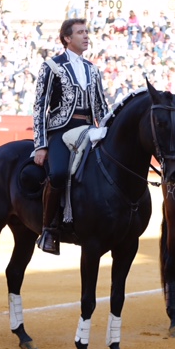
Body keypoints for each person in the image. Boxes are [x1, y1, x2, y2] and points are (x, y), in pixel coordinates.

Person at [33, 19, 109, 254]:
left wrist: (108, 130)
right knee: (58, 173)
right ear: (67, 38)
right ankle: (48, 229)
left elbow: (101, 107)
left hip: (88, 130)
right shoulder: (51, 66)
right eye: (80, 32)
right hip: (61, 131)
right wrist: (41, 145)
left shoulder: (92, 69)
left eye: (87, 32)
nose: (86, 36)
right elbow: (39, 107)